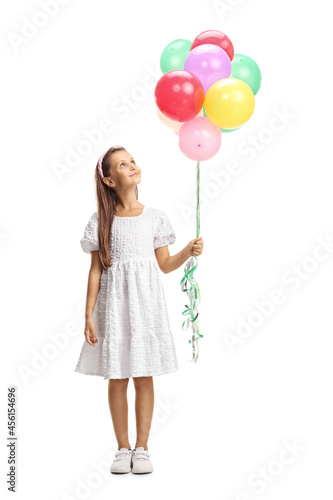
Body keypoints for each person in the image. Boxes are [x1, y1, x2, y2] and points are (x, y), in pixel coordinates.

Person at [74, 145, 204, 474]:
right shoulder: (101, 221)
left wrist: (187, 251)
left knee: (143, 376)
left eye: (132, 161)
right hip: (114, 306)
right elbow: (96, 270)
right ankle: (122, 448)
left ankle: (142, 448)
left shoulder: (156, 217)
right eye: (122, 164)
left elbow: (164, 264)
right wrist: (88, 313)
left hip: (145, 306)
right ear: (109, 180)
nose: (132, 166)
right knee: (117, 377)